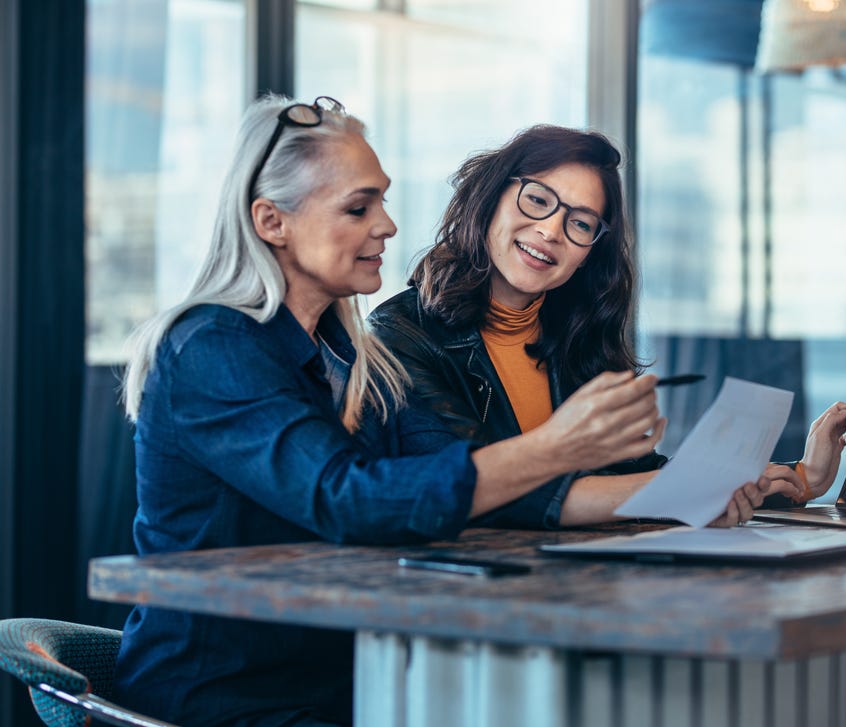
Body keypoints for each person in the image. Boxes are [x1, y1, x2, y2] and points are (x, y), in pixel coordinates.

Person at [114, 96, 770, 727]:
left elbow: (445, 478)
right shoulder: (212, 346)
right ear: (271, 221)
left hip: (347, 678)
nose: (387, 225)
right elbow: (347, 498)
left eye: (383, 200)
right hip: (224, 699)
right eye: (358, 206)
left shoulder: (347, 352)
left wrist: (714, 484)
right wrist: (558, 446)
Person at [368, 125, 846, 527]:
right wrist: (690, 491)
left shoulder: (574, 338)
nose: (551, 231)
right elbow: (479, 490)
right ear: (491, 198)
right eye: (537, 200)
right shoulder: (399, 336)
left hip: (577, 588)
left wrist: (803, 476)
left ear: (589, 254)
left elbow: (632, 476)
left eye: (580, 223)